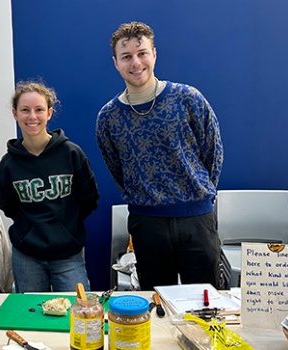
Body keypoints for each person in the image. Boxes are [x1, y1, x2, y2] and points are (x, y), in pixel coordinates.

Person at [95, 22, 224, 291]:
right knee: (156, 307)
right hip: (147, 224)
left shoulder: (188, 98)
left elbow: (212, 152)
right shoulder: (109, 117)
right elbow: (117, 169)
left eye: (142, 53)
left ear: (154, 54)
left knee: (205, 304)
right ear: (115, 63)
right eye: (126, 56)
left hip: (196, 220)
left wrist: (199, 195)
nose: (136, 62)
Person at [0, 81, 100, 292]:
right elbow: (8, 207)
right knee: (31, 316)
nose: (32, 117)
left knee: (78, 313)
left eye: (39, 110)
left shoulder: (71, 153)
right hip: (27, 256)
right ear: (15, 114)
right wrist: (30, 231)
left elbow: (89, 199)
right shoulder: (8, 164)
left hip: (68, 254)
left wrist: (65, 229)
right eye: (25, 110)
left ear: (49, 113)